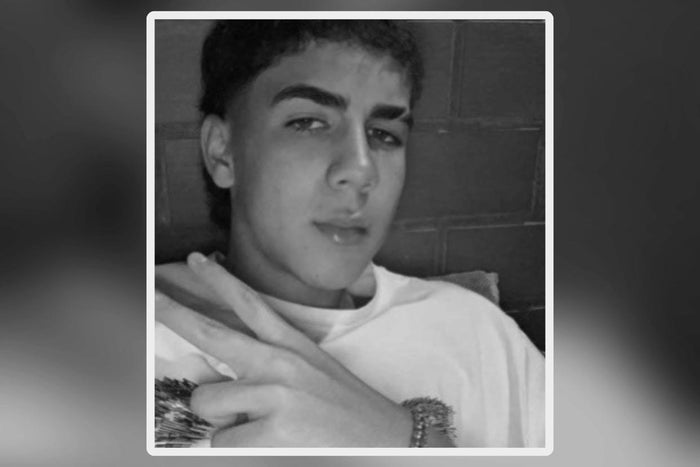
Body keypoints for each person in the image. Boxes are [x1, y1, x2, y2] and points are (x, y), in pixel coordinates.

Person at [155, 20, 545, 448]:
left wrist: (401, 439)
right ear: (222, 152)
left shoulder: (476, 331)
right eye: (307, 122)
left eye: (384, 135)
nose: (362, 170)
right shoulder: (121, 339)